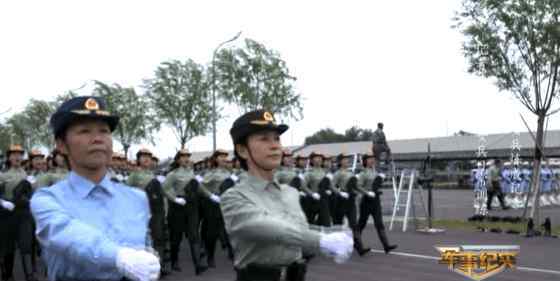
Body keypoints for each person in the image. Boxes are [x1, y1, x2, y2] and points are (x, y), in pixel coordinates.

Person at [30, 96, 160, 281]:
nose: (98, 139)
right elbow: (68, 234)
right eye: (84, 131)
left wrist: (149, 263)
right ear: (61, 145)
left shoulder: (137, 198)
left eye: (104, 131)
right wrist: (120, 257)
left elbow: (145, 246)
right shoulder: (48, 199)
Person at [221, 110, 354, 281]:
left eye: (277, 138)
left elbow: (300, 230)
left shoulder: (289, 192)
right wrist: (321, 240)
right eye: (264, 139)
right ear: (242, 150)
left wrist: (331, 232)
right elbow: (273, 230)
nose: (275, 145)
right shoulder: (234, 197)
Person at [162, 149, 207, 275]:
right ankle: (174, 261)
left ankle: (198, 265)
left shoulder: (191, 172)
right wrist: (175, 199)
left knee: (194, 235)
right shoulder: (173, 174)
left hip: (191, 206)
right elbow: (164, 188)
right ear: (178, 160)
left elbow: (199, 187)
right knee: (176, 237)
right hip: (178, 207)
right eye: (183, 156)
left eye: (188, 156)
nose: (186, 158)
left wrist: (210, 196)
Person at [0, 144, 33, 281]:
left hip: (24, 212)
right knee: (8, 247)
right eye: (14, 154)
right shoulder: (3, 175)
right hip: (7, 213)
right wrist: (3, 202)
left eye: (19, 154)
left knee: (26, 244)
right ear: (9, 157)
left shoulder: (28, 174)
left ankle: (30, 275)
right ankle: (8, 275)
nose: (17, 157)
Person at [357, 153, 397, 254]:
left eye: (372, 158)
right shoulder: (363, 173)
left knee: (379, 223)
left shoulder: (375, 171)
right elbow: (358, 186)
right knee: (362, 224)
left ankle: (386, 246)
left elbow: (376, 185)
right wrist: (367, 192)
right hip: (366, 201)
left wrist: (380, 182)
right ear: (365, 161)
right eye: (369, 159)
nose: (372, 160)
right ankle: (357, 244)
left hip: (375, 200)